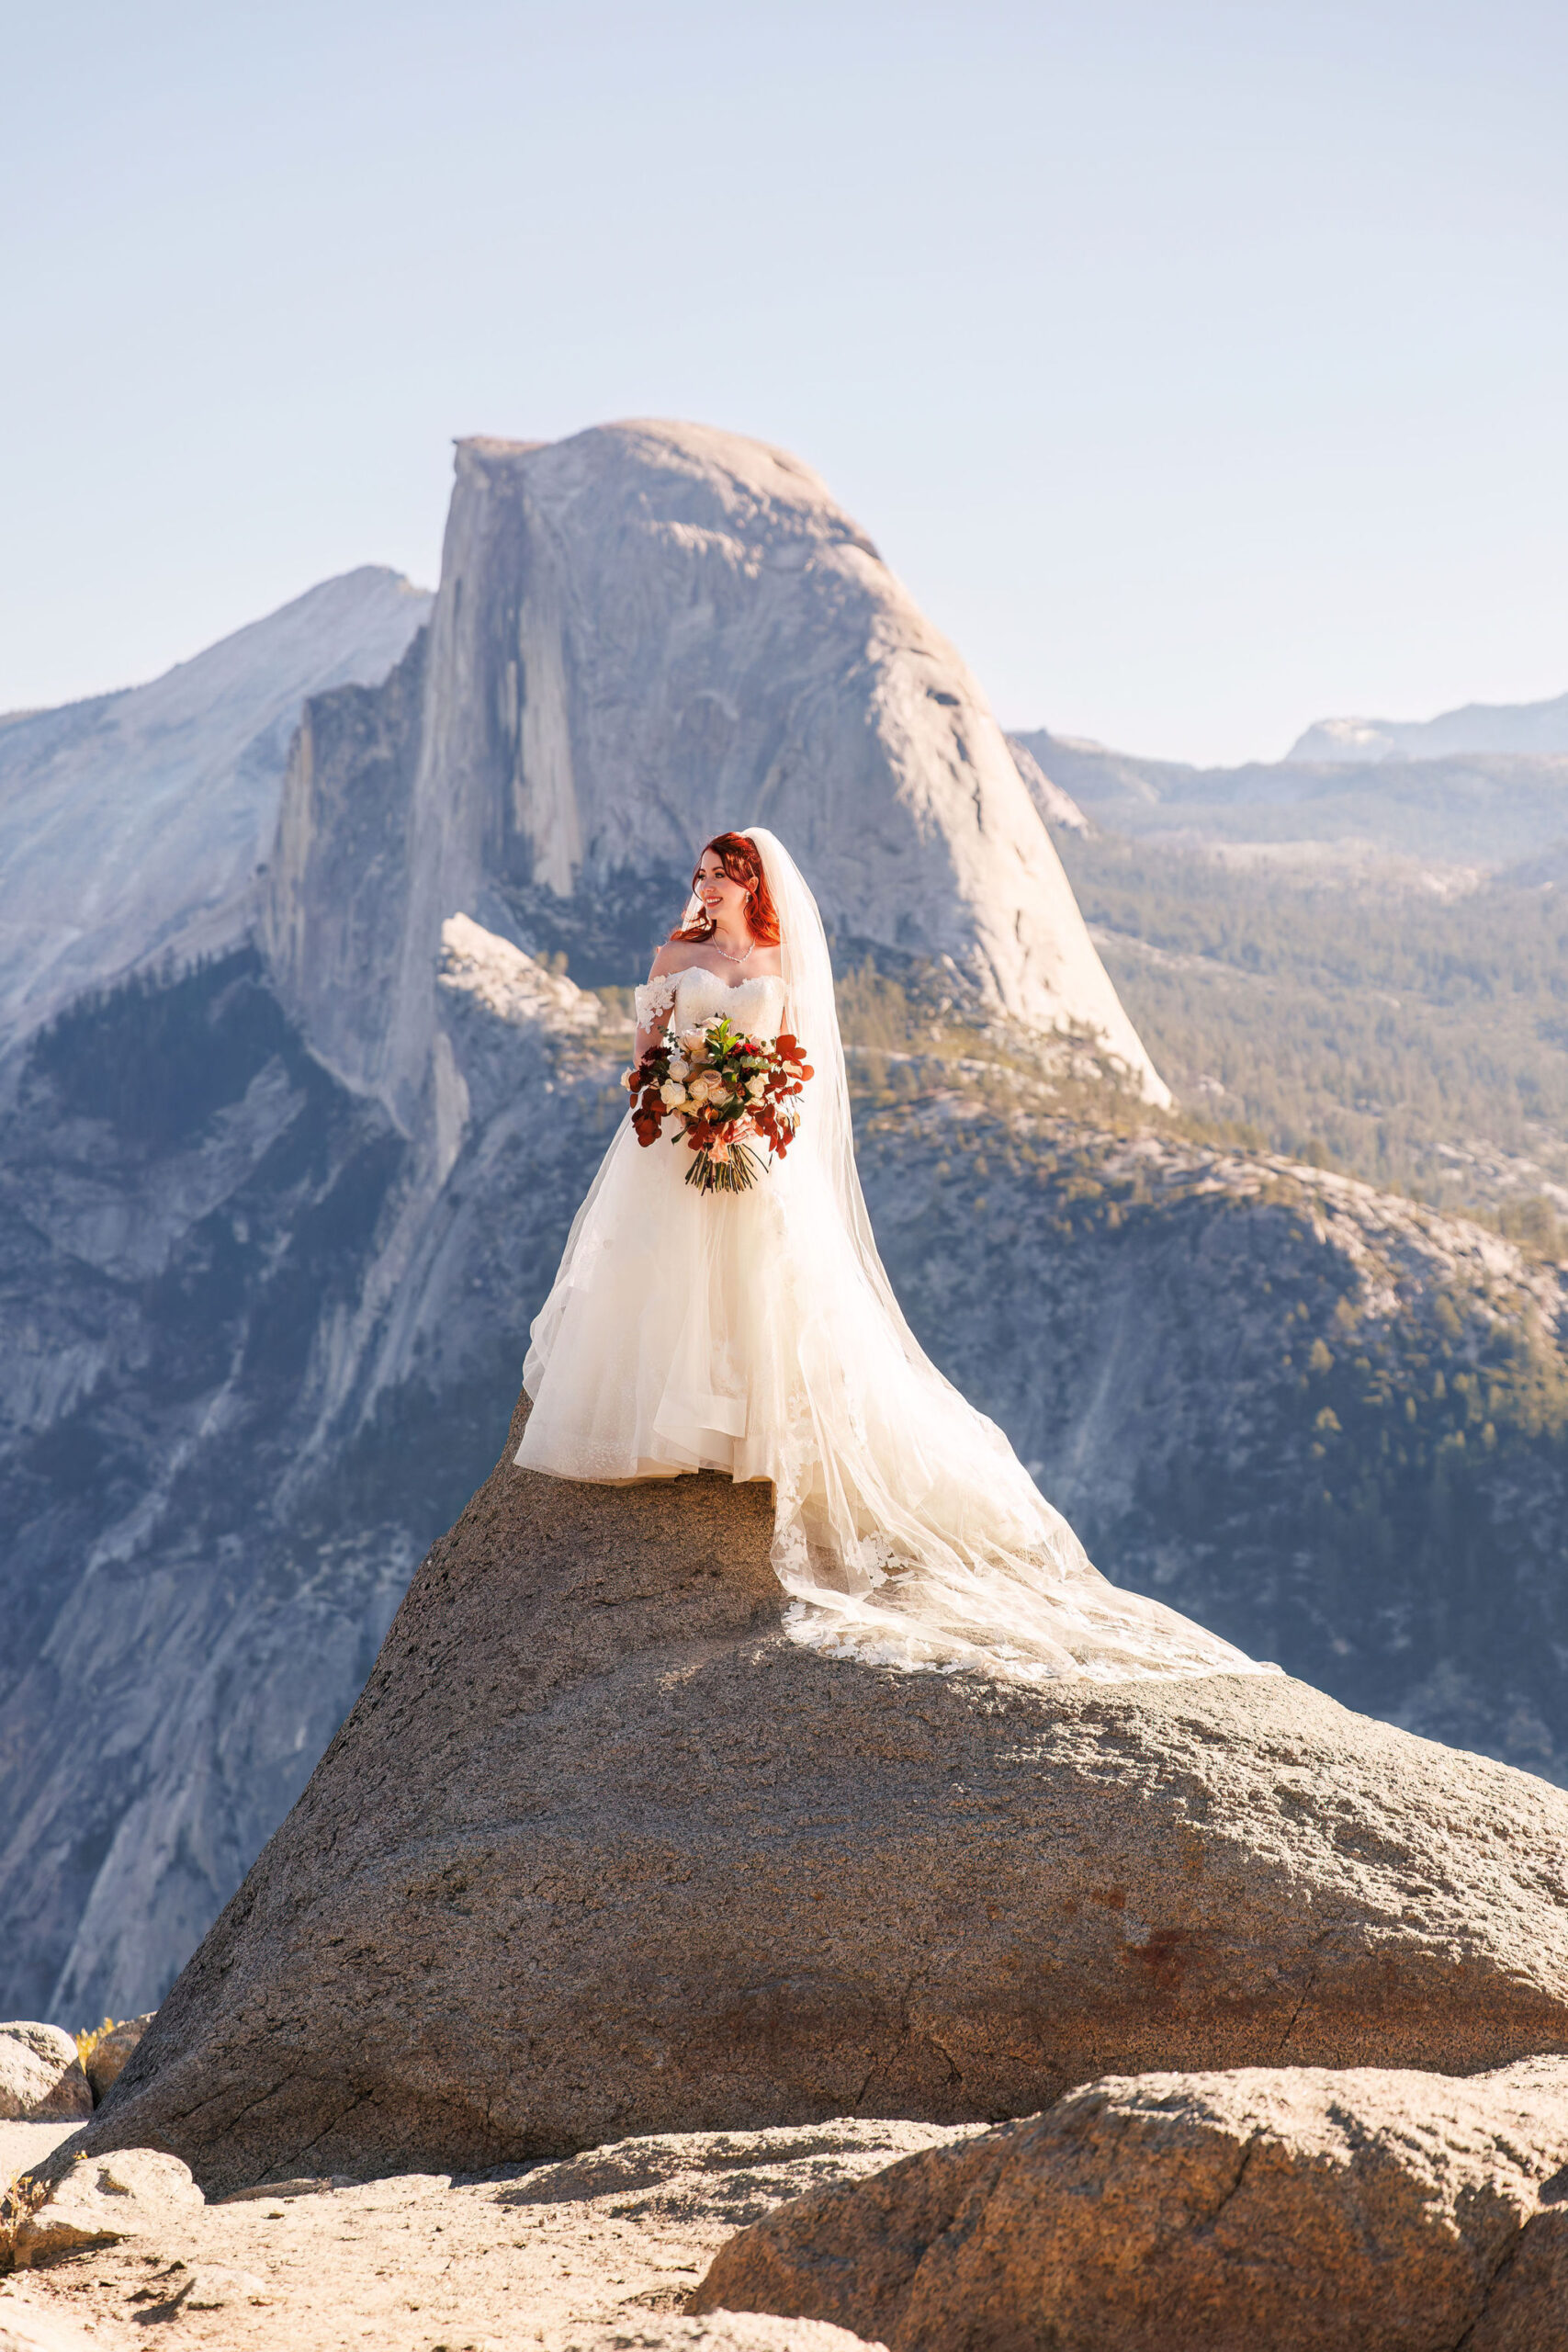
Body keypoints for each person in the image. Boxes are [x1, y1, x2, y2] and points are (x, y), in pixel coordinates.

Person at [517, 826, 1265, 1684]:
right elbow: (645, 1054)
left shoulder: (780, 958)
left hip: (754, 1146)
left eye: (724, 875)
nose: (708, 886)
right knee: (662, 1279)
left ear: (755, 885)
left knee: (759, 1285)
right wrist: (681, 1104)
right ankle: (669, 1421)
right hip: (672, 1141)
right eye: (701, 874)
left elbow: (798, 1069)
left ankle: (747, 1430)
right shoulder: (674, 951)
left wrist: (744, 1113)